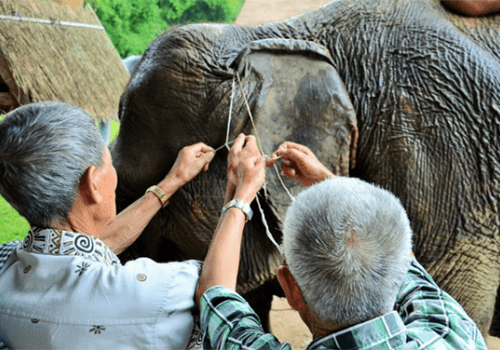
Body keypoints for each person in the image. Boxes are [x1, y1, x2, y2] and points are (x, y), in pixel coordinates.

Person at [195, 134, 487, 349]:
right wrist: (328, 182)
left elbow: (214, 296)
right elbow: (403, 261)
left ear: (291, 289)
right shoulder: (450, 335)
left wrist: (238, 196)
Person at [0, 101, 215, 349]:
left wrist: (173, 181)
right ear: (93, 182)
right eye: (109, 163)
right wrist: (240, 197)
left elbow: (94, 247)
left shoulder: (5, 262)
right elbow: (216, 292)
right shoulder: (150, 295)